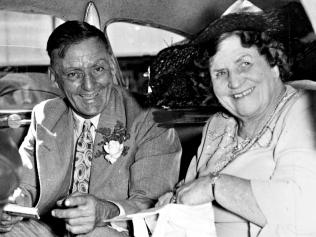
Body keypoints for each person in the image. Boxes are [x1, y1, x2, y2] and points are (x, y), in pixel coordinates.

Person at [0, 20, 181, 236]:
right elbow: (26, 187)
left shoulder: (150, 117)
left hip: (117, 228)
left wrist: (103, 211)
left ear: (112, 66)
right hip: (53, 228)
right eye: (74, 74)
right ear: (54, 77)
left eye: (98, 68)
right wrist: (12, 206)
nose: (89, 85)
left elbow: (153, 204)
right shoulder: (45, 115)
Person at [153, 2, 316, 237]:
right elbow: (191, 192)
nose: (235, 82)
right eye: (220, 73)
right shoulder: (218, 125)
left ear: (274, 64)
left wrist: (214, 185)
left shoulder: (304, 107)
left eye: (245, 63)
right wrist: (172, 204)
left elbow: (304, 211)